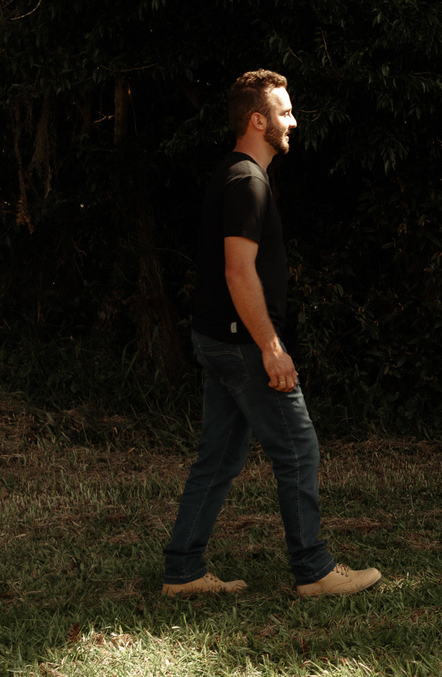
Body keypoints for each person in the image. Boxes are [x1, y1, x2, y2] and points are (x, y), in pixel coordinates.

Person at [162, 69, 382, 597]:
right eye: (285, 112)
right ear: (258, 121)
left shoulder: (234, 173)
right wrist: (271, 346)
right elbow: (238, 272)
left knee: (219, 458)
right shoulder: (247, 182)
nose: (294, 121)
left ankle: (183, 571)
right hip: (241, 343)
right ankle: (314, 570)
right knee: (298, 449)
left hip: (219, 339)